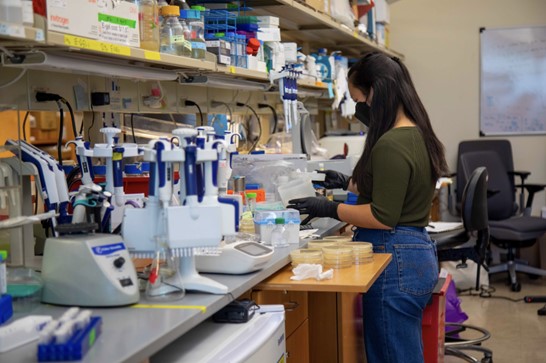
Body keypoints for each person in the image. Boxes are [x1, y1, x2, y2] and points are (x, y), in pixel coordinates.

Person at [287, 52, 448, 363]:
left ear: (378, 92)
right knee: (402, 353)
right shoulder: (417, 132)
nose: (360, 109)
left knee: (391, 356)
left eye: (361, 100)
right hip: (413, 255)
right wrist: (348, 181)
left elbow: (382, 216)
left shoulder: (390, 144)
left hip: (395, 257)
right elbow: (394, 188)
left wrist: (328, 207)